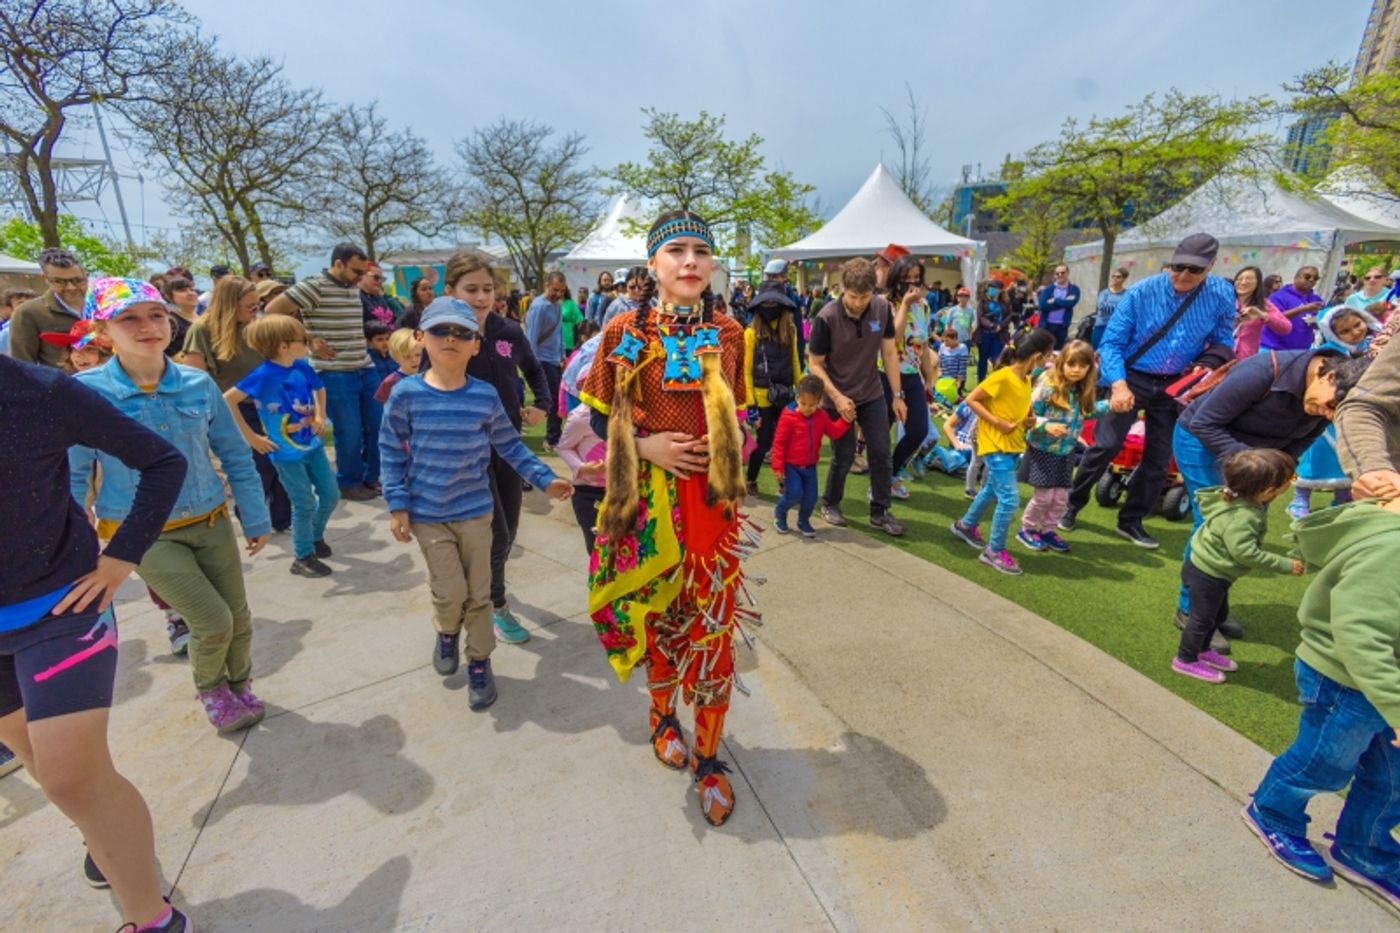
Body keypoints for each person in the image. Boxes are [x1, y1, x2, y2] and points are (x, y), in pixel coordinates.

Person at [0, 352, 190, 933]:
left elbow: (161, 460)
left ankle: (153, 919)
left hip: (61, 609)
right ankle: (102, 837)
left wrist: (121, 557)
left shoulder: (40, 391)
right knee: (36, 758)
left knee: (69, 777)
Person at [580, 208, 755, 827]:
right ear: (652, 264)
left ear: (712, 265)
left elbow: (741, 413)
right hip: (646, 504)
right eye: (675, 251)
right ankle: (661, 719)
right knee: (657, 618)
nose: (689, 262)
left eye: (700, 253)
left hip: (711, 508)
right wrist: (647, 445)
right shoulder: (622, 330)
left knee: (710, 633)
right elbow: (601, 417)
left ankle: (709, 759)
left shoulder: (733, 334)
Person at [70, 278, 272, 735]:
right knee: (211, 619)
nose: (148, 326)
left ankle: (240, 684)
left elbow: (235, 454)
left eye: (156, 315)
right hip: (142, 535)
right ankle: (212, 690)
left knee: (238, 617)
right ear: (103, 332)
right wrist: (75, 541)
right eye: (129, 319)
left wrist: (254, 516)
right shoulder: (85, 393)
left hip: (212, 521)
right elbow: (74, 475)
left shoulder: (198, 385)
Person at [379, 297, 569, 710]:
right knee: (450, 592)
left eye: (462, 332)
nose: (451, 338)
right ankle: (447, 630)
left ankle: (480, 661)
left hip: (476, 513)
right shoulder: (405, 395)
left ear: (476, 344)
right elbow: (391, 450)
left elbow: (510, 447)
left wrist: (545, 478)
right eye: (440, 330)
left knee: (479, 593)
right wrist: (398, 505)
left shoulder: (484, 396)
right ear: (420, 338)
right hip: (429, 517)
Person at [1241, 495, 1400, 908]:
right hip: (1345, 680)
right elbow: (1361, 633)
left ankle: (1363, 848)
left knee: (1391, 777)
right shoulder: (1392, 549)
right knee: (1323, 765)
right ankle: (1272, 811)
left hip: (1382, 682)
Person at [1171, 348, 1370, 650]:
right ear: (1328, 376)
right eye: (1331, 406)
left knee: (1246, 529)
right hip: (1203, 444)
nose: (1327, 415)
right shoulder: (1265, 371)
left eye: (1335, 413)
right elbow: (1204, 423)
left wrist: (1277, 470)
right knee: (1214, 528)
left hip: (1259, 463)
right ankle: (1192, 612)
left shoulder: (1325, 397)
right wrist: (1256, 465)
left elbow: (1306, 438)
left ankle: (1214, 608)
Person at [1060, 233, 1236, 548]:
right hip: (1130, 375)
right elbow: (1111, 343)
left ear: (1210, 266)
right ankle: (1071, 503)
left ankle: (1131, 520)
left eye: (1193, 270)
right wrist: (1118, 384)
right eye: (1177, 267)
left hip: (1175, 383)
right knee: (1106, 445)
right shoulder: (1142, 292)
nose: (1183, 275)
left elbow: (1225, 338)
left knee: (1160, 457)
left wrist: (1205, 364)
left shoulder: (1221, 294)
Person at [447, 253, 551, 644]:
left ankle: (486, 587)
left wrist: (540, 403)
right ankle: (494, 603)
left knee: (509, 529)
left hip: (509, 446)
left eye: (487, 289)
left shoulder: (508, 331)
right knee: (496, 533)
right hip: (466, 452)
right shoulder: (444, 335)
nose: (480, 297)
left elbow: (534, 370)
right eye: (470, 289)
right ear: (451, 291)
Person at [224, 315, 340, 579]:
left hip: (312, 445)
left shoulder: (303, 366)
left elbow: (319, 389)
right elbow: (227, 401)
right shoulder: (262, 375)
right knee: (304, 503)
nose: (308, 344)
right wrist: (251, 437)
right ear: (283, 346)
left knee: (330, 495)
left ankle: (314, 537)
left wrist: (320, 415)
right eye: (303, 340)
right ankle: (302, 556)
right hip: (285, 454)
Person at [1173, 449, 1301, 684]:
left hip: (1208, 570)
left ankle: (1202, 651)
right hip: (1208, 574)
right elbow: (1245, 553)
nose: (1289, 485)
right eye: (1288, 481)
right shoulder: (1245, 516)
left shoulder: (1233, 498)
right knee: (1201, 620)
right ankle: (1186, 659)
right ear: (1268, 490)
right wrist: (1285, 565)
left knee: (1216, 615)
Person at [265, 243, 381, 501]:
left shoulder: (352, 287)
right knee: (348, 431)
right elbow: (273, 310)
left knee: (377, 424)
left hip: (364, 366)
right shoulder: (314, 286)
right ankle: (349, 482)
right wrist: (308, 339)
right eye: (355, 271)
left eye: (363, 272)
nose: (360, 277)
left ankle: (371, 476)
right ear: (338, 264)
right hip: (334, 371)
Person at [807, 257, 908, 536]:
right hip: (835, 396)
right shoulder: (826, 317)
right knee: (845, 454)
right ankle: (830, 503)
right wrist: (837, 398)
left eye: (865, 296)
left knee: (880, 451)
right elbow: (815, 363)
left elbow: (889, 352)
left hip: (871, 391)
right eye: (854, 296)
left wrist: (897, 395)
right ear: (843, 289)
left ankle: (880, 511)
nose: (859, 302)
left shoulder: (881, 308)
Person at [184, 274, 292, 533]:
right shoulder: (202, 330)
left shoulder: (256, 326)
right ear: (230, 304)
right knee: (259, 468)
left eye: (259, 305)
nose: (257, 311)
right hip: (233, 409)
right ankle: (252, 518)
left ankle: (283, 521)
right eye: (251, 306)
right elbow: (195, 378)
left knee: (282, 465)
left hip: (271, 405)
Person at [950, 329, 1056, 575]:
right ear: (1037, 356)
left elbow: (1018, 407)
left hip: (1012, 444)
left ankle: (965, 525)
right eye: (1047, 356)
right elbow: (971, 400)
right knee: (1009, 499)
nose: (1048, 361)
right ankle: (994, 551)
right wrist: (997, 423)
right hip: (995, 445)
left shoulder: (1026, 379)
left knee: (991, 490)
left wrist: (1028, 419)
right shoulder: (1002, 377)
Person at [1287, 305, 1380, 519]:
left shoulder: (1374, 346)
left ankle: (1343, 495)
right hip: (1325, 413)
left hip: (1355, 412)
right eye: (1346, 331)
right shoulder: (1329, 352)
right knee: (1316, 454)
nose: (1355, 332)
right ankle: (1301, 496)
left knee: (1348, 453)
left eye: (1357, 325)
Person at [1017, 340, 1106, 553]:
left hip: (1066, 451)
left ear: (1089, 368)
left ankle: (1047, 530)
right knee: (1044, 496)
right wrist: (1045, 425)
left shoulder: (1082, 387)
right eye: (1071, 364)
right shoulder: (1048, 384)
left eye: (1082, 366)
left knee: (1061, 497)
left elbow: (1088, 411)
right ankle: (1027, 529)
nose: (1076, 370)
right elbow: (1026, 413)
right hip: (1043, 449)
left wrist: (1110, 405)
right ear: (1061, 363)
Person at [771, 374, 850, 537]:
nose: (807, 408)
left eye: (812, 405)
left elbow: (834, 432)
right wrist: (778, 466)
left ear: (819, 401)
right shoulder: (788, 417)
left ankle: (803, 521)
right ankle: (780, 512)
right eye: (803, 403)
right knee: (793, 493)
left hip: (810, 466)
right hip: (791, 466)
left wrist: (846, 421)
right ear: (797, 397)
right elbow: (779, 443)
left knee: (811, 497)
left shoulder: (821, 416)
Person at [743, 279, 800, 496]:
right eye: (765, 305)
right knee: (765, 442)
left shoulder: (791, 330)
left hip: (786, 395)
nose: (769, 308)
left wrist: (802, 393)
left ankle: (784, 484)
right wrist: (751, 407)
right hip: (761, 397)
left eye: (774, 304)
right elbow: (747, 371)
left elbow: (795, 363)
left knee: (788, 442)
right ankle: (751, 479)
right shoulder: (751, 333)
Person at [888, 255, 937, 499]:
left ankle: (891, 474)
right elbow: (894, 340)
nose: (912, 284)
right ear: (896, 279)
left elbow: (924, 345)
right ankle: (880, 483)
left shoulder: (924, 306)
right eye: (906, 279)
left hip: (911, 376)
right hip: (884, 376)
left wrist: (928, 377)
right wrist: (905, 305)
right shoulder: (886, 304)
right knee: (879, 433)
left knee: (918, 430)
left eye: (917, 278)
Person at [9, 248, 87, 367]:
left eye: (77, 280)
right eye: (60, 282)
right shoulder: (28, 313)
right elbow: (23, 366)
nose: (71, 287)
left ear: (85, 274)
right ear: (46, 279)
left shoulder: (102, 304)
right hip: (62, 384)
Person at [525, 271, 568, 447]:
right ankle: (552, 437)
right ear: (546, 286)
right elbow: (531, 337)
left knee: (558, 398)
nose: (557, 294)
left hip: (555, 359)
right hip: (541, 360)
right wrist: (531, 365)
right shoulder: (539, 306)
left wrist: (562, 353)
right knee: (552, 400)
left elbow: (559, 331)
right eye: (555, 290)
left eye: (561, 291)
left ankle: (554, 436)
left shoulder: (557, 305)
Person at [1231, 266, 1290, 360]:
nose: (1243, 282)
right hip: (1219, 356)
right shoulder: (1224, 300)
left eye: (1249, 279)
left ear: (1258, 283)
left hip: (1244, 360)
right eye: (1239, 278)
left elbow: (1286, 328)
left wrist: (1262, 315)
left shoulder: (1264, 304)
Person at [1260, 265, 1325, 351]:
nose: (1311, 280)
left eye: (1315, 278)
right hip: (1275, 349)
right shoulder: (1278, 296)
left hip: (1301, 351)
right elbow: (1274, 319)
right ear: (1296, 277)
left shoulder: (1315, 299)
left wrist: (1317, 320)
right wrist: (1301, 309)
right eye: (1307, 277)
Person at [40, 319, 114, 373]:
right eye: (73, 349)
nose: (77, 354)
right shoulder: (68, 385)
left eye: (89, 349)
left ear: (107, 353)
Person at [974, 279, 1012, 383]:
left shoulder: (1005, 302)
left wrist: (1001, 326)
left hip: (999, 336)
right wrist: (992, 325)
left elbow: (1009, 315)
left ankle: (995, 381)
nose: (991, 290)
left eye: (994, 288)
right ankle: (981, 381)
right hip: (985, 335)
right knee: (983, 359)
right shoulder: (983, 302)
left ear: (1000, 290)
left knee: (997, 359)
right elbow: (980, 317)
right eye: (990, 288)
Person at [1036, 264, 1081, 349]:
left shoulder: (1074, 289)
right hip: (1047, 326)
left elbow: (1071, 303)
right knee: (1044, 350)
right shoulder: (1047, 290)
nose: (1060, 275)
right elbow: (1042, 306)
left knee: (1058, 351)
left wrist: (1055, 300)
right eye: (1057, 273)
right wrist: (1064, 302)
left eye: (1062, 273)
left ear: (1067, 273)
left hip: (1062, 327)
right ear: (1054, 275)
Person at [373, 327, 422, 404]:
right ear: (396, 358)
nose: (414, 360)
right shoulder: (390, 381)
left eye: (418, 355)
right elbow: (384, 406)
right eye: (407, 357)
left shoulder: (427, 377)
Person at [1090, 267, 1130, 349]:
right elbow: (1101, 306)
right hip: (1101, 326)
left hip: (1116, 327)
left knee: (1111, 350)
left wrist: (1111, 307)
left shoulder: (1126, 294)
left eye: (1118, 277)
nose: (1115, 278)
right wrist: (1117, 307)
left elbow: (1126, 308)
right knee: (1096, 350)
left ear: (1124, 279)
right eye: (1113, 276)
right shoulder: (1105, 292)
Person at [160, 275, 199, 358]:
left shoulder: (203, 317)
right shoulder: (170, 322)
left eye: (192, 290)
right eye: (182, 290)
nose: (190, 293)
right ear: (168, 296)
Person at [360, 261, 403, 327]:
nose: (380, 281)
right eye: (376, 278)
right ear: (362, 276)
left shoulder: (379, 298)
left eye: (382, 279)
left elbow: (393, 320)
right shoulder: (357, 298)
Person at [0, 284, 37, 355]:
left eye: (31, 303)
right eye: (20, 304)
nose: (27, 307)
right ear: (9, 309)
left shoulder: (42, 326)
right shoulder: (9, 332)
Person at [937, 329, 970, 395]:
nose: (945, 343)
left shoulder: (962, 348)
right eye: (944, 340)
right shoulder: (942, 347)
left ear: (954, 338)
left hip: (956, 380)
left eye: (947, 341)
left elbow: (962, 367)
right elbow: (939, 363)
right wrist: (939, 374)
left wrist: (959, 382)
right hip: (944, 379)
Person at [365, 319, 397, 385]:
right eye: (380, 340)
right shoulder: (367, 359)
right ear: (369, 341)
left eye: (387, 338)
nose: (385, 343)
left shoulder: (395, 356)